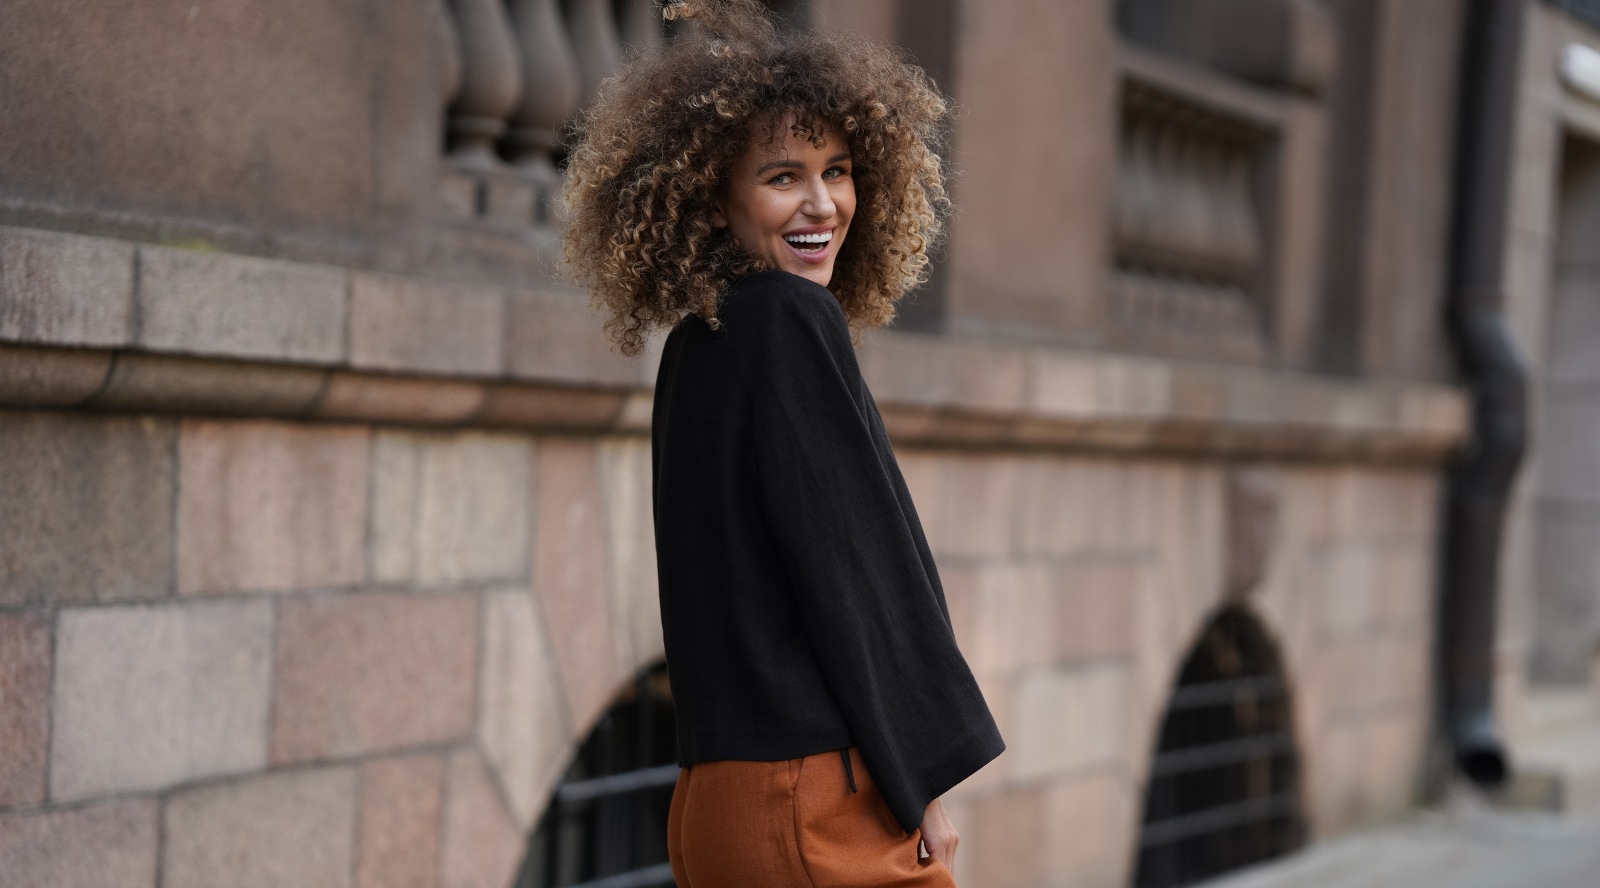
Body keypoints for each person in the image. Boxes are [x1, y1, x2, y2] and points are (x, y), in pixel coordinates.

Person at [561, 2, 1004, 885]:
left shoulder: (704, 341)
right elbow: (857, 570)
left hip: (721, 799)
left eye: (837, 170)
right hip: (808, 802)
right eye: (781, 176)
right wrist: (923, 785)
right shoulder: (787, 318)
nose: (822, 204)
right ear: (713, 199)